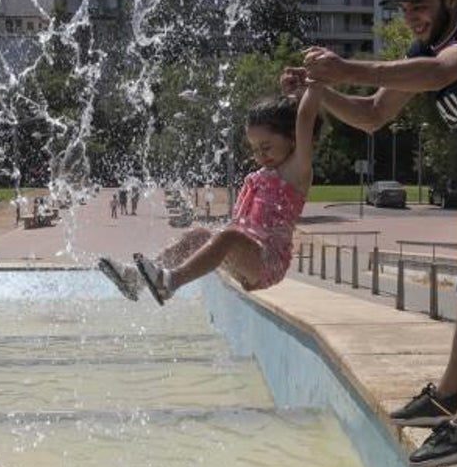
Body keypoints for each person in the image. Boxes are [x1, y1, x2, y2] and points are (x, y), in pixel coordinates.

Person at [289, 0, 457, 467]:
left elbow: (439, 75)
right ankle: (448, 395)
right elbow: (374, 115)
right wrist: (321, 88)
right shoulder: (421, 52)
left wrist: (344, 65)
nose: (411, 18)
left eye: (419, 6)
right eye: (402, 8)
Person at [97, 84, 322, 304]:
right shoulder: (267, 172)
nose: (260, 155)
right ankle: (136, 279)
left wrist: (313, 85)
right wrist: (291, 92)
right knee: (199, 234)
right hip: (245, 257)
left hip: (268, 262)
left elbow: (305, 121)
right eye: (254, 149)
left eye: (266, 147)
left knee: (228, 236)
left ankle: (170, 282)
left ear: (292, 138)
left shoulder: (296, 172)